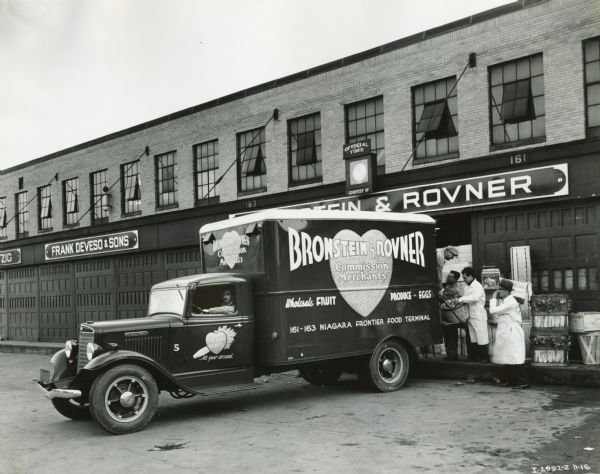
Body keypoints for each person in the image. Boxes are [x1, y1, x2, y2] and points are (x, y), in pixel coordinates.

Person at [489, 279, 529, 389]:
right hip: (507, 330)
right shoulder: (506, 300)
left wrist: (493, 298)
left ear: (507, 291)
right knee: (507, 356)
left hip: (512, 331)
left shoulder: (511, 302)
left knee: (515, 356)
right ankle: (511, 380)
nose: (499, 291)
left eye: (501, 289)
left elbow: (493, 311)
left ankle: (523, 381)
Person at [458, 267, 490, 363]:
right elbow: (466, 298)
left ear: (471, 276)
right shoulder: (467, 287)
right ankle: (473, 357)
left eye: (465, 277)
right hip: (470, 315)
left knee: (481, 336)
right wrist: (460, 299)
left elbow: (475, 298)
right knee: (472, 337)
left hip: (478, 315)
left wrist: (461, 299)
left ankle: (484, 357)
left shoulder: (478, 286)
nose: (463, 280)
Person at [440, 270, 464, 361]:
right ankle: (450, 354)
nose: (448, 278)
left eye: (450, 277)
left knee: (451, 335)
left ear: (455, 279)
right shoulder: (449, 286)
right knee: (448, 335)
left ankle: (453, 355)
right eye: (448, 276)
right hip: (446, 314)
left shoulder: (453, 289)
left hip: (450, 315)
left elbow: (442, 298)